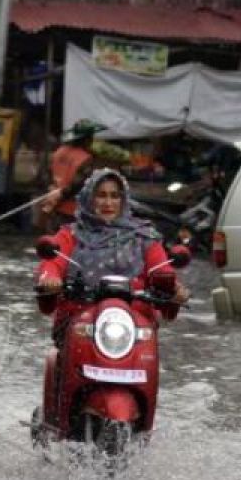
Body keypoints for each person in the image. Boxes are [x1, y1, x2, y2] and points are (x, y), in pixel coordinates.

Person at [37, 168, 189, 343]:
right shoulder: (70, 234)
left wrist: (174, 289)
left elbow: (161, 269)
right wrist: (50, 278)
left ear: (123, 200)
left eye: (114, 196)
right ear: (89, 199)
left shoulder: (145, 237)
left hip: (133, 327)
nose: (108, 203)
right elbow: (52, 262)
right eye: (101, 195)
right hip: (80, 321)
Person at [40, 119, 102, 231]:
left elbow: (47, 174)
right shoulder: (85, 158)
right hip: (72, 210)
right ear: (87, 139)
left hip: (55, 206)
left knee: (56, 239)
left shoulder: (59, 151)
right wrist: (61, 194)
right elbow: (78, 185)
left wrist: (52, 190)